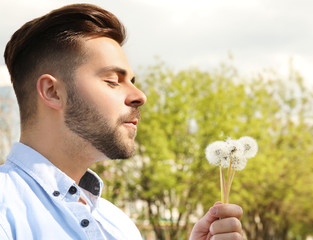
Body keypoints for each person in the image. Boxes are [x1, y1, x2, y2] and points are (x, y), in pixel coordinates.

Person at [0, 3, 244, 240]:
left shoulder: (118, 224)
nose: (140, 96)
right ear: (53, 92)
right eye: (113, 80)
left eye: (133, 81)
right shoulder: (6, 209)